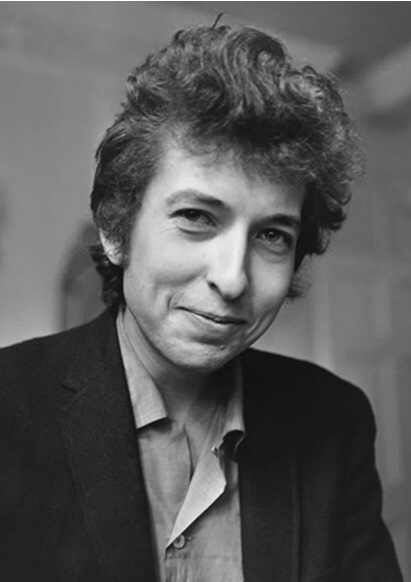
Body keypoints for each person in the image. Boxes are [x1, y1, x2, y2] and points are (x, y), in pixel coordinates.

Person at [0, 24, 403, 582]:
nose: (232, 279)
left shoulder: (333, 420)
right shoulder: (9, 406)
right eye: (196, 217)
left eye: (272, 235)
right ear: (116, 230)